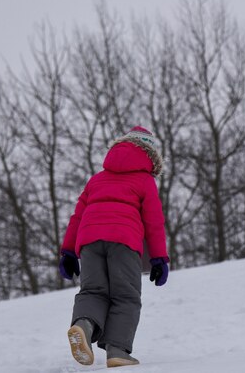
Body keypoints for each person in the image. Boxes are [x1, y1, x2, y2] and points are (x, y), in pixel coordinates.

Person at [59, 126, 170, 368]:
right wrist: (159, 258)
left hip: (89, 241)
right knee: (126, 295)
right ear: (151, 155)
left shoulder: (97, 179)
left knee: (92, 291)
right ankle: (117, 350)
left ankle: (84, 326)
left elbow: (77, 216)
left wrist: (67, 251)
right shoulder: (145, 180)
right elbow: (154, 221)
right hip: (124, 241)